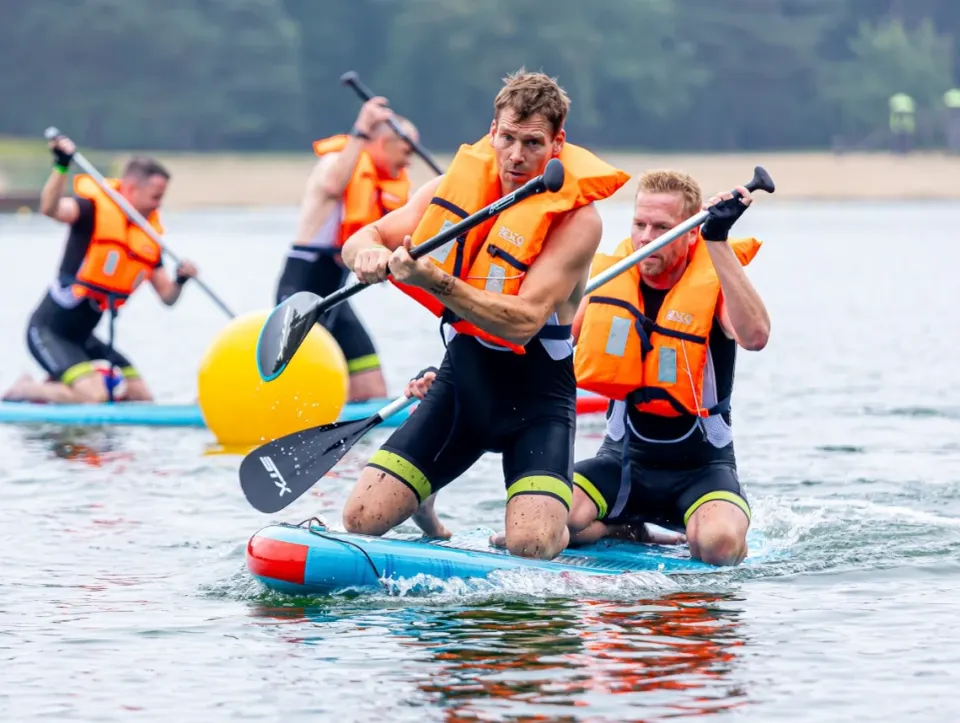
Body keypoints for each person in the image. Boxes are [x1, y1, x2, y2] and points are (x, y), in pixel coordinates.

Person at [338, 69, 630, 560]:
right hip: (463, 385)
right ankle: (426, 503)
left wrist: (436, 280)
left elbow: (523, 320)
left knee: (532, 546)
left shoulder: (579, 221)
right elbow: (359, 238)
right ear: (492, 132)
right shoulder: (448, 190)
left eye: (533, 143)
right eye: (508, 138)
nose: (516, 156)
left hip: (538, 401)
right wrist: (365, 253)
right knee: (360, 520)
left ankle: (585, 528)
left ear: (558, 144)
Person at [560, 169, 770, 566]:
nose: (645, 237)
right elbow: (547, 347)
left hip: (702, 471)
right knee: (549, 520)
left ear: (691, 232)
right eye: (639, 224)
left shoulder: (713, 281)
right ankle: (622, 528)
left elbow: (756, 336)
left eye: (662, 227)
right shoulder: (611, 280)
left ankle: (710, 526)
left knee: (718, 547)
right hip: (620, 464)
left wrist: (719, 242)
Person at [2, 134, 198, 405]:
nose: (158, 204)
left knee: (140, 396)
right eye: (155, 196)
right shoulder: (91, 210)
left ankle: (64, 386)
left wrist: (181, 280)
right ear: (131, 189)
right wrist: (61, 167)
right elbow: (50, 208)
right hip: (49, 332)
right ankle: (25, 390)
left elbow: (167, 297)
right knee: (95, 397)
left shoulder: (146, 238)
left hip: (83, 338)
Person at [274, 97, 418, 401]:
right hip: (303, 286)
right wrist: (362, 127)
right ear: (382, 142)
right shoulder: (337, 163)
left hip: (337, 293)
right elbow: (332, 187)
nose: (409, 162)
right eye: (407, 151)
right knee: (297, 391)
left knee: (372, 389)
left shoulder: (379, 186)